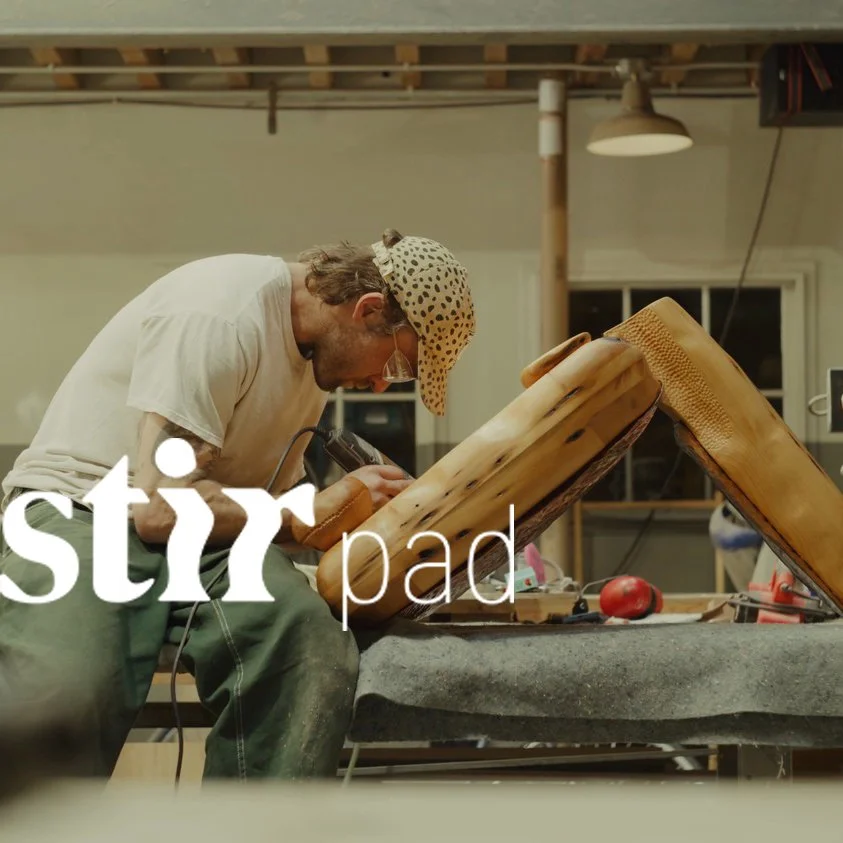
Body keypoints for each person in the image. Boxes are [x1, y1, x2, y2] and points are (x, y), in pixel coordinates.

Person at [0, 228, 476, 781]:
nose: (378, 387)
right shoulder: (220, 315)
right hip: (87, 506)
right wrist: (307, 513)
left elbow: (264, 508)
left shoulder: (315, 356)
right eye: (394, 366)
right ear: (367, 310)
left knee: (306, 645)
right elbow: (159, 510)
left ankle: (256, 824)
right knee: (70, 685)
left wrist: (345, 521)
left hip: (202, 534)